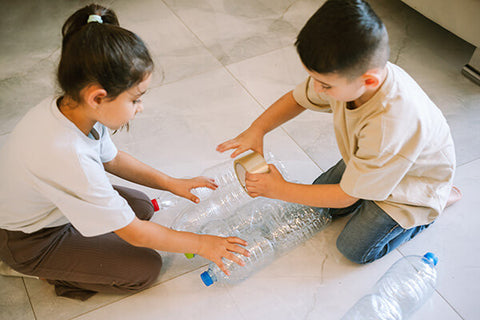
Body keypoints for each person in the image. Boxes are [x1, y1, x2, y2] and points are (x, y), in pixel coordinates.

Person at [0, 4, 248, 301]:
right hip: (28, 241)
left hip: (54, 208)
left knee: (142, 206)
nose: (140, 108)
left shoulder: (73, 107)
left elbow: (113, 159)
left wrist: (171, 182)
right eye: (135, 99)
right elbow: (135, 235)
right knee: (143, 268)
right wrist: (203, 244)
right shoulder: (68, 156)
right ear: (98, 96)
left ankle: (79, 245)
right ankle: (42, 268)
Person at [217, 0, 461, 265]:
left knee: (353, 249)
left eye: (325, 85)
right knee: (317, 201)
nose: (318, 89)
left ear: (369, 81)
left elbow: (346, 195)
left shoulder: (388, 126)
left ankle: (434, 202)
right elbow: (298, 99)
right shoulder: (350, 79)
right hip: (374, 161)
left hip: (410, 187)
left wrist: (279, 189)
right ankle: (367, 181)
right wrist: (258, 129)